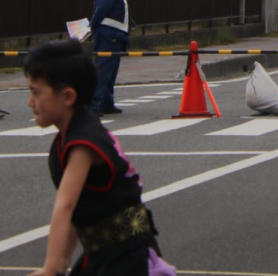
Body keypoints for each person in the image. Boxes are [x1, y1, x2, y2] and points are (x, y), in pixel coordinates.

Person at [23, 39, 175, 276]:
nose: (30, 102)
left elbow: (66, 206)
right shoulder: (68, 137)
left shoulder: (84, 141)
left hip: (127, 256)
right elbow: (79, 210)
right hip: (103, 253)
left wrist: (51, 267)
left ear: (67, 97)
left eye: (36, 92)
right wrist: (62, 261)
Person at [89, 0, 129, 116]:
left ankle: (106, 103)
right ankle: (94, 105)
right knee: (104, 70)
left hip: (114, 34)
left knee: (110, 70)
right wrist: (93, 25)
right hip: (109, 34)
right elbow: (102, 8)